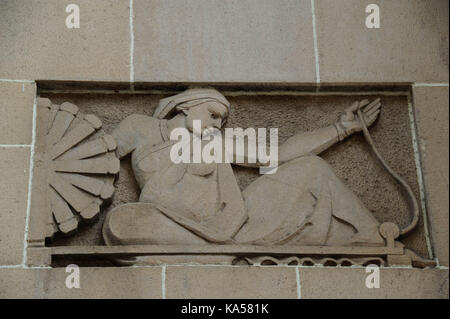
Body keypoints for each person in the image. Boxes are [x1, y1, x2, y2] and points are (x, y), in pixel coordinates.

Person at [103, 88, 385, 247]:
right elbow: (97, 160)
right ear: (187, 106)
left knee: (311, 167)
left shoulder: (215, 142)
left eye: (221, 122)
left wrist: (340, 129)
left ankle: (371, 237)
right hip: (163, 221)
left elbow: (278, 153)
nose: (216, 125)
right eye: (213, 115)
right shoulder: (140, 127)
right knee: (126, 221)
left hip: (228, 229)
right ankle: (206, 247)